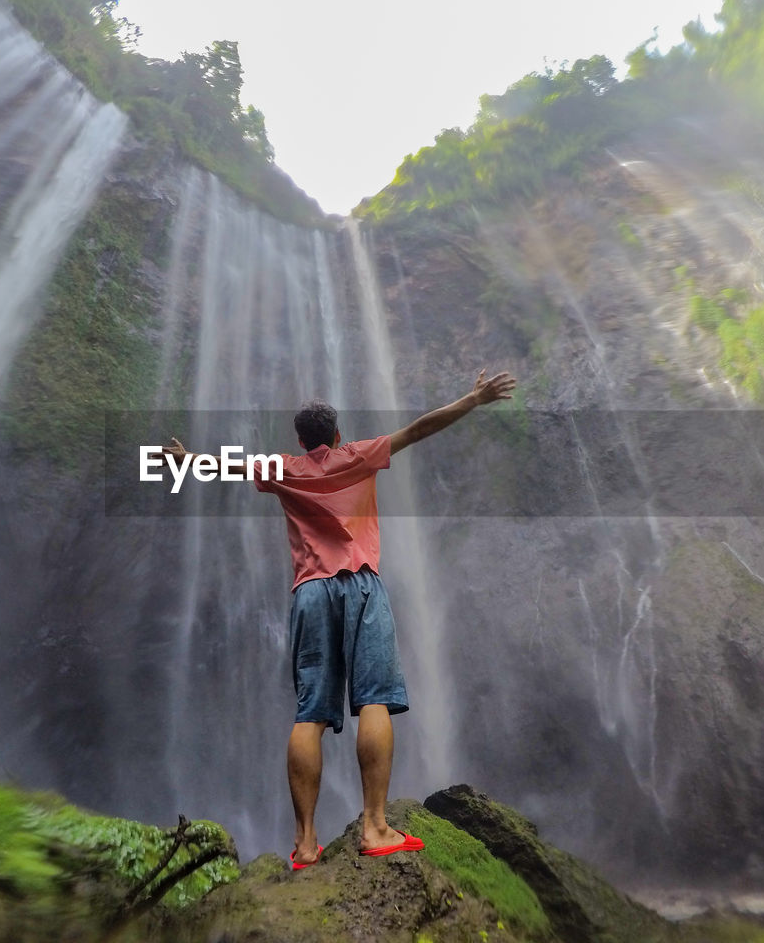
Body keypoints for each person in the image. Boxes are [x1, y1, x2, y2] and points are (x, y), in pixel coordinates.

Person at [163, 369, 517, 869]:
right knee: (372, 699)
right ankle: (375, 828)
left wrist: (185, 460)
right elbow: (418, 429)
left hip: (310, 592)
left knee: (310, 712)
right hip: (361, 585)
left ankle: (305, 844)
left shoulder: (284, 467)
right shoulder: (359, 454)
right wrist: (474, 399)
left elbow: (231, 467)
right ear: (337, 435)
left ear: (301, 440)